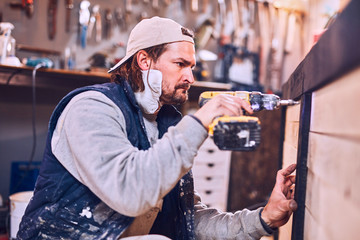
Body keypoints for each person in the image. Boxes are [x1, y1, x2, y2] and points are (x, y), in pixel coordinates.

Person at [17, 16, 297, 240]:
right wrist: (200, 121)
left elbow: (188, 222)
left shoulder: (164, 124)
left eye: (193, 66)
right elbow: (130, 192)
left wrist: (263, 219)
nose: (190, 76)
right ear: (144, 61)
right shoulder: (90, 108)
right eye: (180, 64)